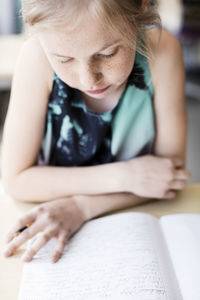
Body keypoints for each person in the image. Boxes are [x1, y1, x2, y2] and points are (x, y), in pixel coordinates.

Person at [2, 0, 190, 263]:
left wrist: (82, 206)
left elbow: (170, 173)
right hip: (47, 226)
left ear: (139, 13)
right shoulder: (35, 57)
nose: (89, 79)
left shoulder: (162, 51)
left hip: (137, 224)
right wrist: (125, 176)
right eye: (64, 59)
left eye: (108, 53)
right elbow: (17, 181)